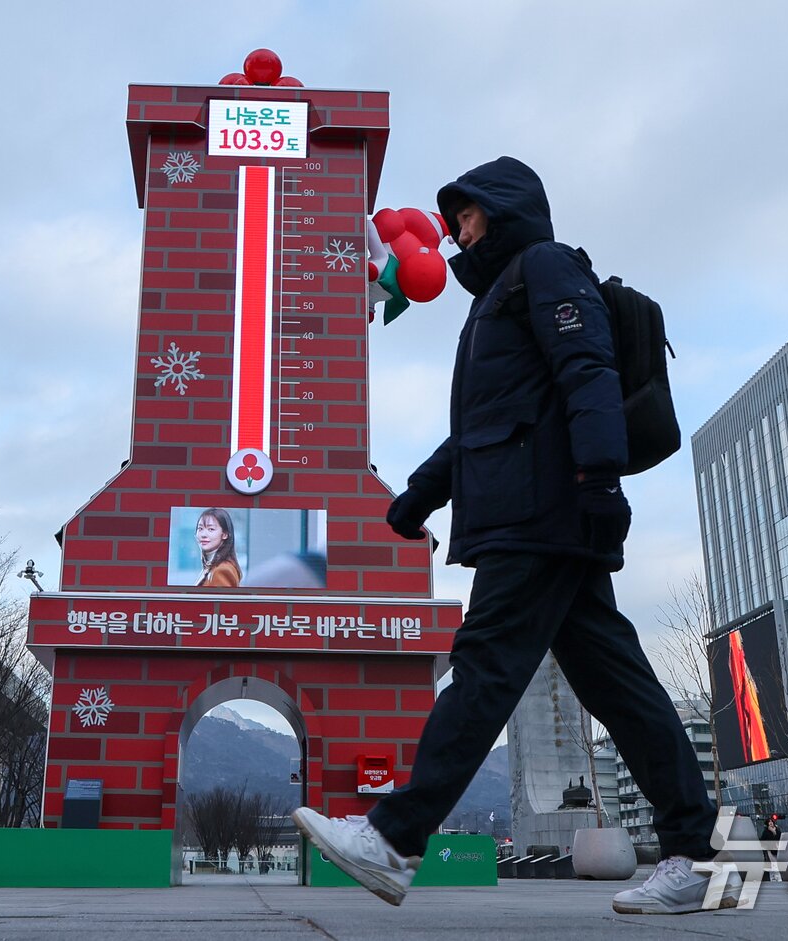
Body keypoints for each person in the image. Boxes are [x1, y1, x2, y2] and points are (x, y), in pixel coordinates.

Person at [293, 156, 739, 914]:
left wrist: (599, 479)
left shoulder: (545, 267)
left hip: (545, 514)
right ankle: (694, 853)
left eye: (468, 216)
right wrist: (420, 496)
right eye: (458, 218)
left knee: (484, 666)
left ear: (502, 211)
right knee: (619, 686)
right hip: (535, 512)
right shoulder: (496, 297)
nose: (458, 231)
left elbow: (588, 371)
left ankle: (396, 837)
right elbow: (483, 429)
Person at [194, 508, 241, 588]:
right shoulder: (210, 566)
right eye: (200, 529)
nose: (203, 535)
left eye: (211, 529)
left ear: (225, 534)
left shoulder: (222, 570)